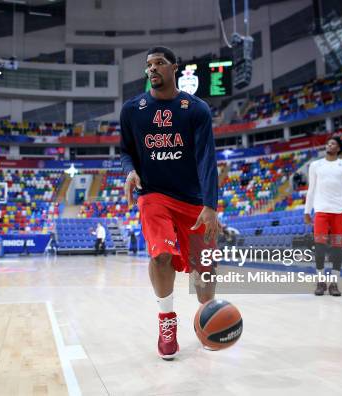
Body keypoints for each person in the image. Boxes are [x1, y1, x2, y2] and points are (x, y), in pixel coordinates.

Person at [120, 46, 220, 360]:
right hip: (153, 196)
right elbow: (125, 151)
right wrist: (130, 171)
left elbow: (206, 159)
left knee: (204, 267)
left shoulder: (197, 109)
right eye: (148, 64)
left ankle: (208, 319)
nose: (152, 69)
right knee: (161, 255)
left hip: (192, 199)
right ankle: (167, 322)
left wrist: (211, 205)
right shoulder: (132, 109)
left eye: (159, 63)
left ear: (174, 67)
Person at [304, 135, 342, 297]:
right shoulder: (315, 165)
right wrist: (306, 211)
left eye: (333, 143)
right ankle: (320, 282)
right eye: (328, 143)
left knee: (337, 249)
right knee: (320, 248)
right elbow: (311, 189)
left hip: (339, 212)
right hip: (321, 211)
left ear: (338, 148)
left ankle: (334, 283)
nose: (329, 145)